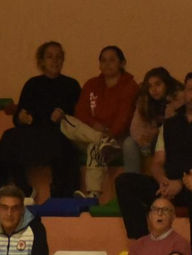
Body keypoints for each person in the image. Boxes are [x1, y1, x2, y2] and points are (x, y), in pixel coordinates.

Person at [114, 72, 192, 251]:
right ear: (184, 93)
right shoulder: (170, 124)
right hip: (168, 185)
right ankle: (142, 243)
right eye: (190, 89)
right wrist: (163, 181)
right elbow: (157, 162)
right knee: (125, 181)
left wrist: (181, 183)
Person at [0, 42, 82, 199]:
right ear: (42, 61)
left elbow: (79, 116)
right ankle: (16, 189)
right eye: (50, 57)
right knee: (9, 138)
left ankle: (60, 195)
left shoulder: (72, 85)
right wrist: (21, 118)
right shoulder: (32, 84)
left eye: (59, 57)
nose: (55, 60)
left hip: (59, 133)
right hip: (34, 133)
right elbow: (19, 116)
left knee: (60, 145)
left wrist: (64, 116)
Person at [58, 45, 138, 198]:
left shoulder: (129, 86)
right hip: (93, 135)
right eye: (103, 60)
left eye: (112, 60)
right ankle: (101, 140)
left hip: (116, 141)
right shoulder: (91, 84)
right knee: (65, 121)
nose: (107, 64)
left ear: (122, 63)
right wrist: (95, 127)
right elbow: (80, 112)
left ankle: (93, 193)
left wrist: (111, 134)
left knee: (95, 148)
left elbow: (125, 117)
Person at [120, 67, 182, 181]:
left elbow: (175, 127)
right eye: (150, 86)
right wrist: (142, 139)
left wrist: (156, 133)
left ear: (166, 84)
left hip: (167, 142)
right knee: (128, 143)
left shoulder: (177, 100)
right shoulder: (144, 101)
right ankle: (132, 181)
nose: (154, 89)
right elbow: (135, 126)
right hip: (147, 143)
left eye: (158, 84)